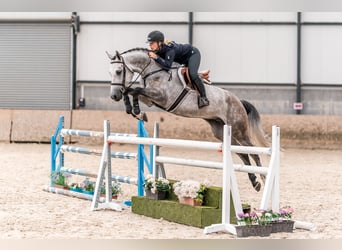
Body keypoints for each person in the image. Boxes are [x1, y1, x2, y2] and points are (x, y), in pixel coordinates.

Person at [146, 30, 209, 108]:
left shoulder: (169, 50)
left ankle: (204, 98)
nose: (150, 45)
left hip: (192, 54)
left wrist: (156, 57)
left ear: (159, 42)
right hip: (183, 59)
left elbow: (167, 67)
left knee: (192, 74)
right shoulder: (158, 49)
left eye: (152, 43)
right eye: (149, 43)